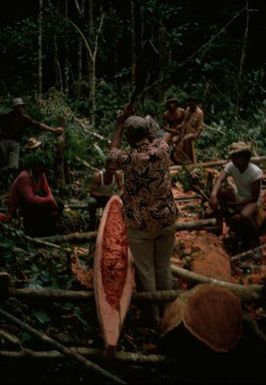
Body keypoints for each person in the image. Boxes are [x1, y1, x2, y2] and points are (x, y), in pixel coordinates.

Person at [108, 107, 177, 329]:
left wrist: (119, 125)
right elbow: (157, 134)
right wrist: (145, 124)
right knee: (163, 266)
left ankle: (153, 317)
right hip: (166, 219)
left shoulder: (129, 159)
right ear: (148, 132)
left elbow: (111, 155)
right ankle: (167, 311)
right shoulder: (163, 148)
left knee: (146, 270)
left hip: (141, 224)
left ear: (129, 136)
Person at [209, 141, 263, 250]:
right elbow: (220, 179)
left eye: (237, 157)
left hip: (252, 201)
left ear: (245, 157)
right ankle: (229, 224)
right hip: (238, 196)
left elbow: (254, 198)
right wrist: (213, 194)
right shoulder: (231, 166)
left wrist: (236, 204)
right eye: (233, 157)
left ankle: (256, 242)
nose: (233, 160)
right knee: (222, 192)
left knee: (245, 216)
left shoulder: (255, 172)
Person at [7, 140, 61, 236]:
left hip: (34, 201)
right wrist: (48, 200)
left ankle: (49, 231)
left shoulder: (41, 174)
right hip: (23, 206)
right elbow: (30, 199)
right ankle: (35, 232)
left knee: (59, 205)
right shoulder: (25, 176)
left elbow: (47, 190)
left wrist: (53, 202)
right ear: (35, 166)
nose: (44, 169)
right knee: (39, 209)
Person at [0, 97, 63, 172]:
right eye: (18, 107)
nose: (20, 109)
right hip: (3, 141)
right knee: (4, 163)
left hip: (15, 143)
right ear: (14, 108)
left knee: (13, 166)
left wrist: (53, 129)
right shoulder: (6, 116)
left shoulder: (25, 118)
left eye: (21, 106)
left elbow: (38, 124)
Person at [88, 159, 124, 229]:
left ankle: (117, 225)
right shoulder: (98, 176)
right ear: (106, 167)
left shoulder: (117, 175)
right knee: (91, 202)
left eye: (114, 169)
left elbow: (122, 189)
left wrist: (118, 195)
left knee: (122, 201)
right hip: (98, 198)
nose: (112, 171)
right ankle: (92, 224)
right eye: (110, 169)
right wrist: (105, 195)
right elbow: (92, 192)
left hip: (109, 199)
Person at [171, 97, 204, 164]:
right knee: (174, 139)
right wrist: (180, 127)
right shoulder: (188, 109)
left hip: (194, 132)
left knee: (186, 139)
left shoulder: (199, 113)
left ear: (195, 104)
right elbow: (184, 121)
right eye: (189, 104)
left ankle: (188, 158)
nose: (190, 106)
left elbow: (200, 128)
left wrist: (195, 135)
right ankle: (176, 158)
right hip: (185, 131)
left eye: (192, 104)